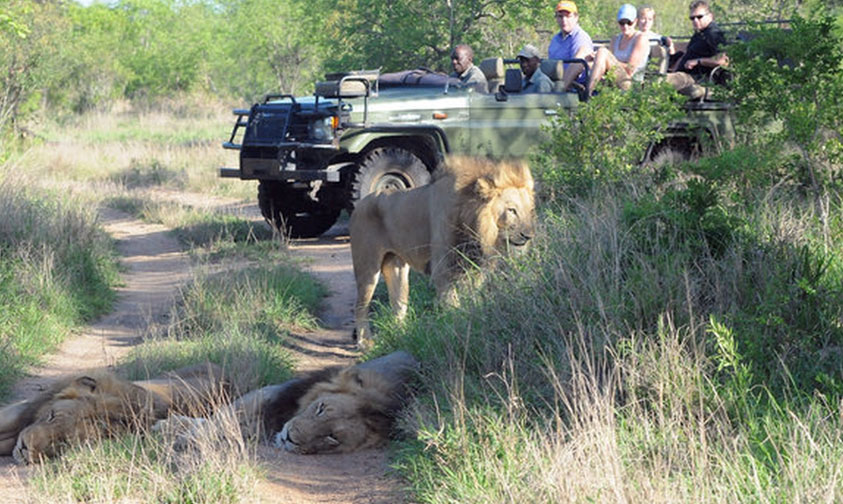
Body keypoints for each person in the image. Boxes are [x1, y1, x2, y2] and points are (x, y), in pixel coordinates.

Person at [666, 0, 729, 97]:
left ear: (710, 16)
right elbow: (686, 54)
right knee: (653, 78)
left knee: (660, 82)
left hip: (698, 79)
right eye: (692, 18)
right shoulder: (699, 34)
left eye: (699, 17)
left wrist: (698, 61)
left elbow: (723, 61)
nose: (695, 20)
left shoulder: (714, 34)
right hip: (684, 75)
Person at [585, 4, 650, 95]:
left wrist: (606, 58)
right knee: (587, 59)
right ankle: (566, 87)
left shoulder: (640, 39)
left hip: (631, 82)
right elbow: (607, 63)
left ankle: (588, 93)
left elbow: (630, 69)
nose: (625, 26)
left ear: (635, 22)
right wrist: (595, 59)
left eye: (629, 22)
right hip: (613, 78)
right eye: (622, 23)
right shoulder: (615, 39)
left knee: (602, 52)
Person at [547, 0, 594, 91]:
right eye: (560, 16)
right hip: (553, 82)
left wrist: (559, 88)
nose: (564, 20)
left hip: (574, 87)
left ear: (576, 17)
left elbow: (576, 68)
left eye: (568, 16)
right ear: (556, 18)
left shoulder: (581, 38)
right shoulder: (555, 39)